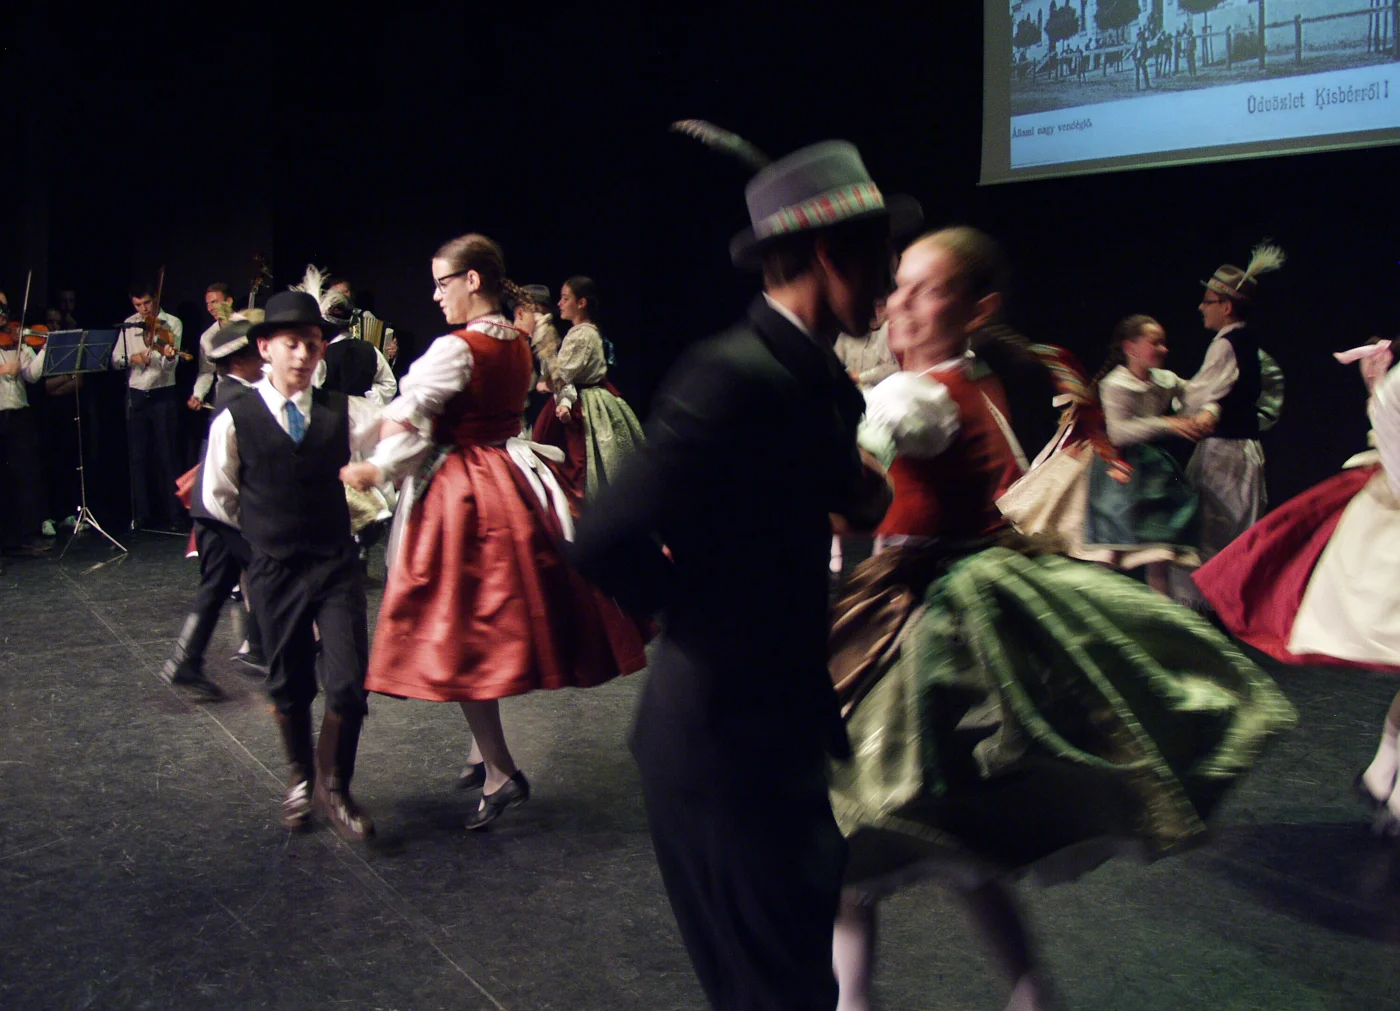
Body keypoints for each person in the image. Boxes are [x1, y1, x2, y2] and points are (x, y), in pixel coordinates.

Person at [826, 233, 1297, 1011]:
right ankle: (1026, 992)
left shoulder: (909, 396)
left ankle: (867, 999)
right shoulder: (971, 378)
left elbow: (855, 489)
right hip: (968, 594)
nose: (900, 304)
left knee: (850, 820)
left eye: (926, 290)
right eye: (899, 285)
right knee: (957, 848)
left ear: (977, 308)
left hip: (918, 616)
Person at [570, 136, 909, 1010]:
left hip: (781, 731)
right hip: (718, 743)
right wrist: (699, 611)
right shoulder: (729, 373)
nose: (892, 276)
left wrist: (861, 490)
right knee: (775, 991)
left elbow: (835, 493)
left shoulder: (820, 382)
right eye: (881, 254)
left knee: (795, 980)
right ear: (830, 254)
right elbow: (604, 535)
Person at [342, 234, 647, 831]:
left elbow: (412, 419)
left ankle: (501, 771)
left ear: (472, 280)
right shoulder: (516, 341)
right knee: (483, 624)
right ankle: (483, 754)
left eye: (442, 283)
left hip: (462, 494)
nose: (436, 295)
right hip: (507, 480)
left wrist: (375, 463)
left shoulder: (457, 349)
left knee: (457, 627)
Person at [202, 290, 393, 839]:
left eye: (312, 344)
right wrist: (264, 544)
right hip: (275, 570)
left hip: (335, 566)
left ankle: (336, 786)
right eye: (292, 344)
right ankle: (301, 777)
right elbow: (219, 499)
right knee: (289, 683)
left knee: (349, 684)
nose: (305, 355)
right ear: (265, 348)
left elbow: (395, 436)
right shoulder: (235, 418)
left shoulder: (340, 410)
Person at [1168, 243, 1285, 607]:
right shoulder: (1250, 345)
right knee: (1236, 531)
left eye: (1208, 301)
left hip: (1224, 454)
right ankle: (1230, 606)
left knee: (1207, 530)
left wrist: (1164, 390)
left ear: (1226, 306)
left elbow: (1196, 396)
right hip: (1244, 451)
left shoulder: (1225, 345)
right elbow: (1267, 391)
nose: (1201, 307)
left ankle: (1199, 610)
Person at [163, 320, 268, 702]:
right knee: (260, 573)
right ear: (239, 361)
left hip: (214, 509)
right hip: (221, 511)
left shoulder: (231, 391)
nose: (263, 360)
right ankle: (252, 650)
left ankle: (195, 660)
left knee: (225, 583)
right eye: (256, 355)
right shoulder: (238, 398)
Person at [1083, 314, 1210, 593]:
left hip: (1154, 469)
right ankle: (1093, 604)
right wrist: (1167, 423)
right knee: (1111, 550)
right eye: (1156, 343)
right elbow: (1119, 433)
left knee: (1158, 550)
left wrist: (1208, 411)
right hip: (1121, 468)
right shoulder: (1115, 384)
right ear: (1131, 348)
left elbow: (1198, 394)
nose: (1164, 349)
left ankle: (1162, 612)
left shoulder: (1166, 379)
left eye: (1164, 343)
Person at [531, 276, 644, 502]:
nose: (560, 303)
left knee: (582, 463)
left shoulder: (582, 333)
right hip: (586, 397)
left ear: (581, 303)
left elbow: (562, 374)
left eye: (565, 298)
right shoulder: (586, 331)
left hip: (583, 402)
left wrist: (544, 383)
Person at [114, 282, 185, 531]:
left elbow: (170, 367)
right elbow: (115, 359)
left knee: (167, 455)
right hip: (136, 394)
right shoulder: (129, 324)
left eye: (146, 303)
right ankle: (141, 515)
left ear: (155, 299)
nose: (143, 309)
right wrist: (132, 358)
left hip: (162, 393)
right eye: (138, 305)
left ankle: (174, 515)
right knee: (137, 456)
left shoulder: (172, 323)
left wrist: (168, 356)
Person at [0, 293, 51, 556]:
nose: (3, 313)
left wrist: (44, 350)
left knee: (26, 475)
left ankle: (28, 534)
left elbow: (32, 376)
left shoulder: (17, 339)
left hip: (19, 413)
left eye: (4, 308)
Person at [189, 283, 235, 411]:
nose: (210, 308)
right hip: (225, 396)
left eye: (214, 302)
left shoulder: (247, 325)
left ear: (229, 301)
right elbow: (207, 371)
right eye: (208, 304)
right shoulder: (207, 337)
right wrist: (198, 395)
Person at [522, 283, 561, 427]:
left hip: (544, 407)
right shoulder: (525, 336)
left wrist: (543, 385)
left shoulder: (546, 334)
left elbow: (555, 375)